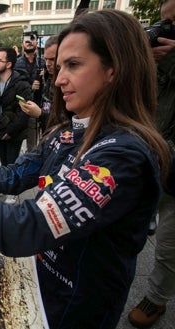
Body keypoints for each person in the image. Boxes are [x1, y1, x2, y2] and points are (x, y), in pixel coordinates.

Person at [0, 10, 171, 329]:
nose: (59, 78)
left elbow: (30, 226)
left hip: (76, 306)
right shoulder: (70, 131)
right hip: (41, 286)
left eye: (74, 65)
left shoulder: (123, 155)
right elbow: (12, 176)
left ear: (114, 70)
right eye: (59, 66)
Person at [127, 2, 175, 327]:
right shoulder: (157, 62)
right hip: (151, 155)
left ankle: (157, 297)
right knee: (131, 222)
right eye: (164, 21)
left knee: (168, 243)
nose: (166, 30)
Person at [0, 46, 32, 204]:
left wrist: (11, 130)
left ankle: (13, 191)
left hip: (14, 132)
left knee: (12, 162)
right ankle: (4, 186)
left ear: (8, 64)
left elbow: (25, 112)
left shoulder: (21, 84)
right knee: (3, 162)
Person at [20, 35, 59, 134]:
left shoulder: (66, 82)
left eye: (52, 59)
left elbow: (66, 120)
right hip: (43, 125)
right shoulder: (18, 63)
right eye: (46, 59)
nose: (48, 63)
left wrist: (40, 114)